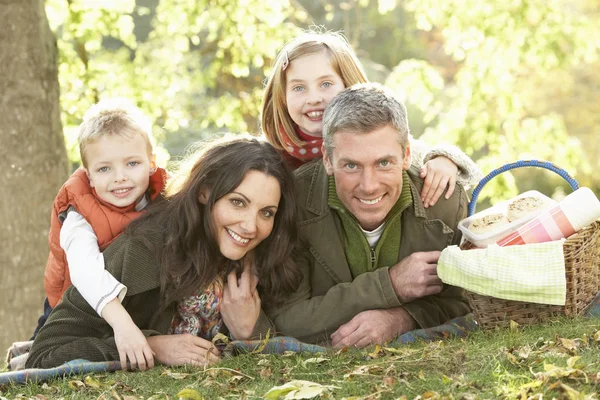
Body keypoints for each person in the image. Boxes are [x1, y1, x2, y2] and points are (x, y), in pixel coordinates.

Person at [26, 136, 302, 369]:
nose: (251, 226)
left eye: (267, 212)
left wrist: (249, 330)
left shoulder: (266, 258)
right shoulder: (141, 249)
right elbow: (45, 354)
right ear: (204, 193)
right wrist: (150, 347)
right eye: (238, 203)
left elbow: (283, 351)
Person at [265, 83, 471, 348]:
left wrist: (402, 319)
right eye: (351, 165)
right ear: (327, 159)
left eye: (383, 163)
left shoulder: (445, 203)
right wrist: (390, 285)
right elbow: (286, 319)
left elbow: (467, 303)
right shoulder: (292, 203)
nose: (369, 185)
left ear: (406, 154)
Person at [261, 29, 481, 208]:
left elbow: (410, 150)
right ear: (282, 98)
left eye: (326, 84)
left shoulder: (375, 136)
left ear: (350, 86)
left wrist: (445, 160)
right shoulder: (273, 159)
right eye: (299, 88)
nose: (314, 98)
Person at [34, 99, 168, 370]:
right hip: (76, 303)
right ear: (90, 176)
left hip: (127, 296)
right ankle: (32, 346)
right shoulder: (78, 214)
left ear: (151, 163)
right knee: (51, 355)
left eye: (132, 163)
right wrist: (123, 325)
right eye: (105, 169)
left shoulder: (162, 199)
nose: (120, 177)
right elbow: (85, 272)